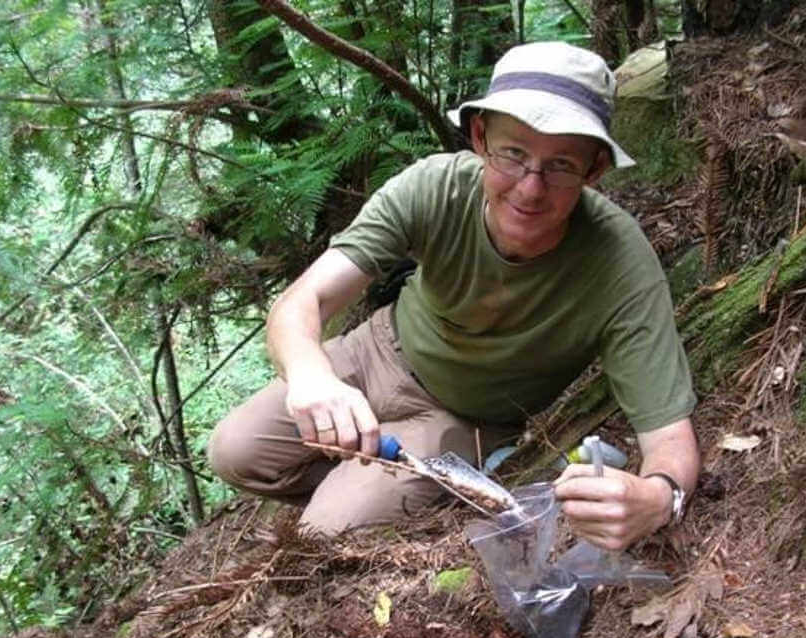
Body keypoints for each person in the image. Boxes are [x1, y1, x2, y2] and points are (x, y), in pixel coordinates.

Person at [208, 41, 699, 551]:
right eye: (513, 155)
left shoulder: (617, 260)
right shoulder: (436, 188)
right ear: (480, 137)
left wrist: (659, 497)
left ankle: (375, 494)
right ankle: (367, 485)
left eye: (560, 166)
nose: (530, 188)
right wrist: (312, 374)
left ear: (594, 170)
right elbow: (301, 301)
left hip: (465, 417)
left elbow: (669, 435)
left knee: (324, 533)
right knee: (234, 451)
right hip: (375, 353)